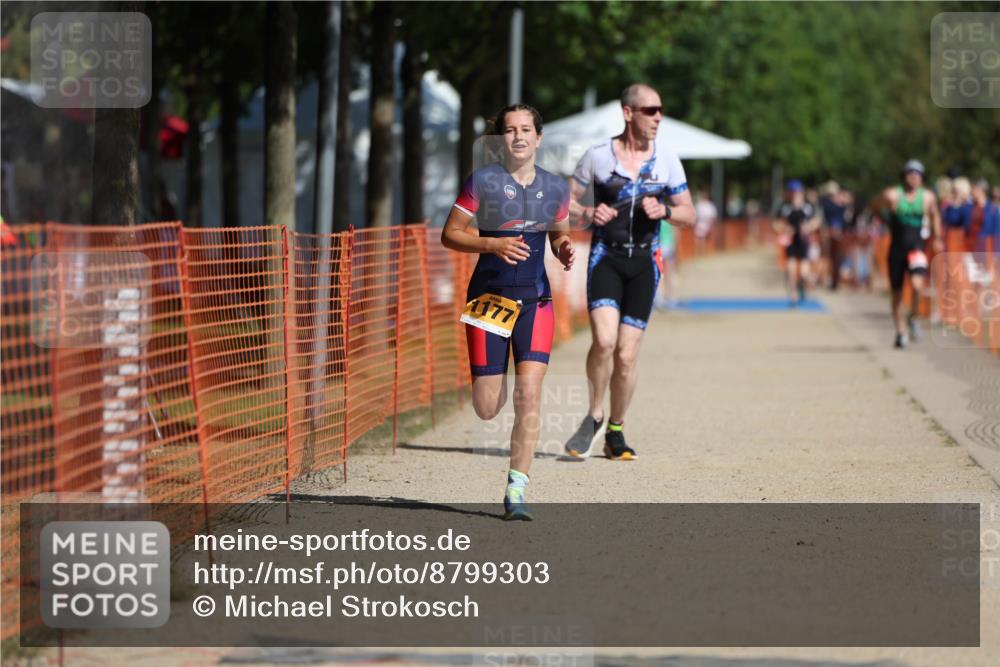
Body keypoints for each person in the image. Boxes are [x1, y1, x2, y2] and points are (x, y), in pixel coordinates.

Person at [441, 104, 574, 521]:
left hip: (536, 300)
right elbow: (451, 234)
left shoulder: (555, 187)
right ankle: (488, 381)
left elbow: (559, 233)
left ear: (538, 137)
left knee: (529, 392)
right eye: (510, 130)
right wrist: (492, 245)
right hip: (488, 301)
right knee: (486, 405)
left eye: (526, 129)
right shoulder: (483, 182)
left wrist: (564, 247)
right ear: (501, 140)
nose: (518, 136)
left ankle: (517, 488)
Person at [563, 83, 695, 460]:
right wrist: (588, 214)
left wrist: (667, 212)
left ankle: (616, 430)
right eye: (650, 110)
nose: (658, 117)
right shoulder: (598, 156)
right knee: (604, 342)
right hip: (606, 255)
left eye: (660, 110)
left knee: (626, 354)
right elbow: (564, 201)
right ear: (627, 113)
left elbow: (690, 213)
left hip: (645, 263)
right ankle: (594, 414)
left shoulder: (667, 159)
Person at [877, 159, 944, 349]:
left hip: (916, 248)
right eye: (910, 174)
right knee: (897, 294)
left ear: (922, 178)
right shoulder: (892, 195)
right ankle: (900, 331)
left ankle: (913, 317)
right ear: (903, 176)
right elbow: (877, 207)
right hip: (896, 250)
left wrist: (938, 237)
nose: (913, 177)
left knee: (917, 286)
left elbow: (935, 215)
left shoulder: (928, 197)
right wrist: (884, 217)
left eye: (917, 174)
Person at [774, 180, 818, 306]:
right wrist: (784, 229)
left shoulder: (808, 207)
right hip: (790, 242)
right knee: (790, 270)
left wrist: (809, 227)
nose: (795, 195)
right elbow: (776, 223)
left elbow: (816, 220)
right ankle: (793, 297)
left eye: (797, 192)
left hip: (803, 241)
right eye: (792, 192)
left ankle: (802, 286)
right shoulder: (784, 207)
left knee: (804, 273)